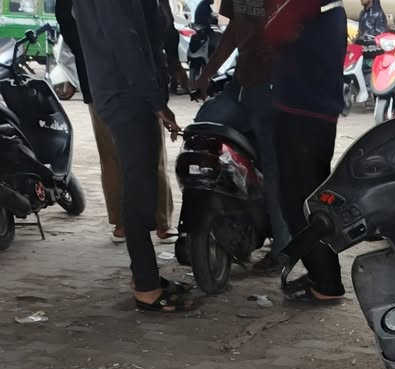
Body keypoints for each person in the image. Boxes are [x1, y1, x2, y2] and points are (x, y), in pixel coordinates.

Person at [71, 0, 189, 313]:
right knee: (139, 188)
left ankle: (145, 276)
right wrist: (156, 103)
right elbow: (126, 43)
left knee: (141, 184)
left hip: (126, 91)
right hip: (126, 95)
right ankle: (146, 286)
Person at [56, 0, 175, 242]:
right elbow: (126, 38)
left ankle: (150, 222)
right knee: (127, 158)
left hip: (117, 82)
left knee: (141, 159)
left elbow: (158, 25)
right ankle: (133, 225)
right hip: (120, 85)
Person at [196, 0, 290, 264]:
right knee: (204, 132)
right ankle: (226, 225)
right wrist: (207, 74)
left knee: (272, 167)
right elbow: (234, 30)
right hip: (242, 84)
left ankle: (283, 245)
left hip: (272, 88)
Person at [265, 0, 347, 304]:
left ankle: (326, 282)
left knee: (299, 202)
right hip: (316, 114)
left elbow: (273, 31)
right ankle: (323, 276)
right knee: (310, 199)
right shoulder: (331, 7)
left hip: (301, 115)